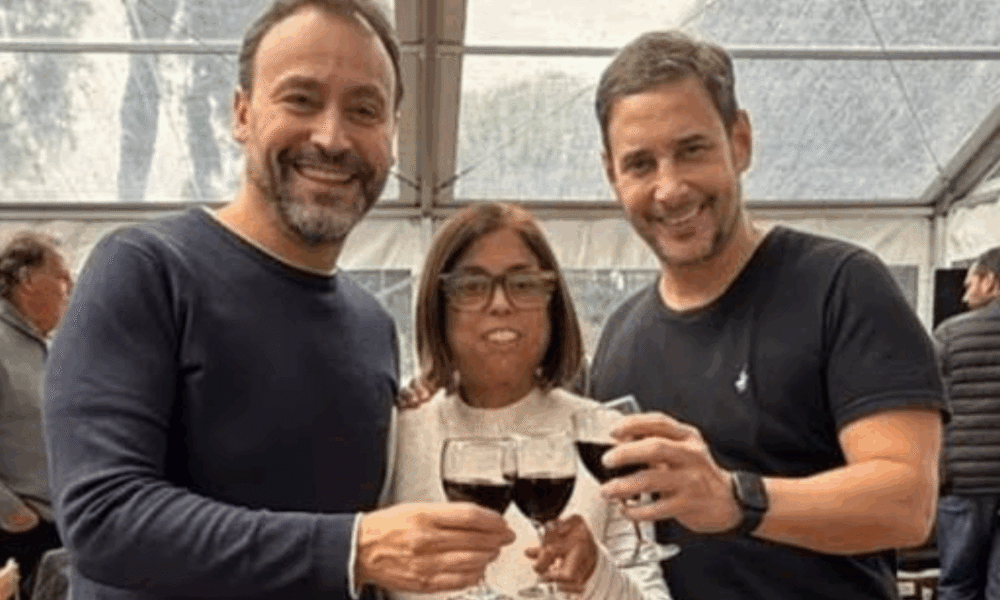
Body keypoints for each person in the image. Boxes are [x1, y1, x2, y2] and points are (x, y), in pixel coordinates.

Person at [43, 2, 514, 600]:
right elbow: (103, 517)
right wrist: (353, 549)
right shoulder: (146, 269)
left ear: (392, 137)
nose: (332, 137)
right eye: (301, 99)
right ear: (242, 113)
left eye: (364, 110)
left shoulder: (372, 326)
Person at [583, 31, 947, 599]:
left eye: (692, 150)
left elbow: (907, 504)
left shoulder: (842, 285)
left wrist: (736, 499)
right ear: (612, 175)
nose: (670, 188)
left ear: (740, 142)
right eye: (640, 164)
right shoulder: (620, 335)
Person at [387, 201, 670, 600]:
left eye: (523, 284)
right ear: (438, 309)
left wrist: (596, 574)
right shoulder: (397, 436)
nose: (500, 304)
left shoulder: (606, 437)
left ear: (552, 306)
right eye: (472, 286)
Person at [0, 232, 72, 598]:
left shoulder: (48, 349)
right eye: (61, 277)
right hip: (17, 535)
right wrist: (12, 513)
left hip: (57, 528)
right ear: (27, 280)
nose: (69, 288)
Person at [933, 246, 1000, 600]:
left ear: (990, 281)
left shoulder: (950, 334)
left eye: (969, 283)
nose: (964, 295)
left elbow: (928, 406)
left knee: (958, 583)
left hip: (965, 481)